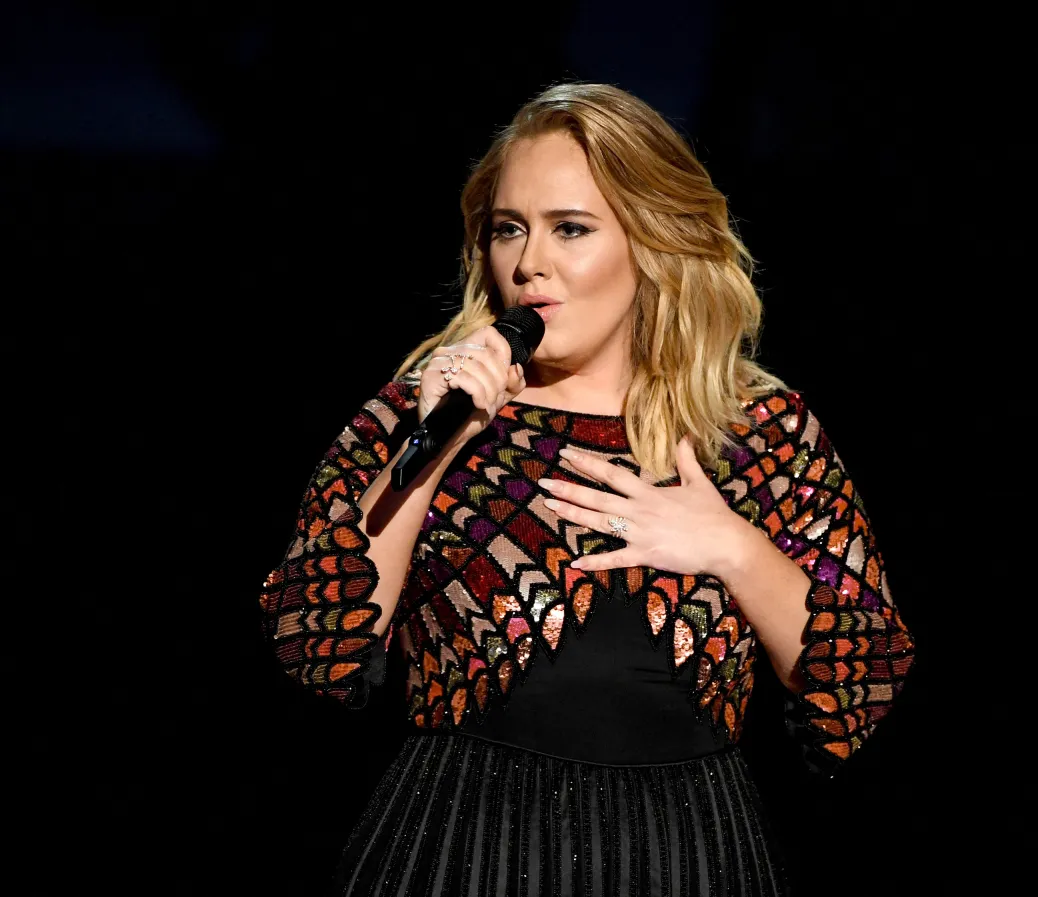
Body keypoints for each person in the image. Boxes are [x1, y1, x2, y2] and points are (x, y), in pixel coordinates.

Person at [258, 82, 915, 897]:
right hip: (459, 853)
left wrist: (735, 549)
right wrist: (437, 446)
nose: (528, 261)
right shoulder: (419, 411)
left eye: (570, 228)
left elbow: (864, 685)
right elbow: (313, 647)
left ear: (652, 240)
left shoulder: (756, 432)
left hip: (691, 861)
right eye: (508, 229)